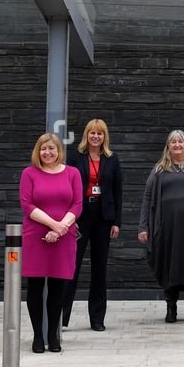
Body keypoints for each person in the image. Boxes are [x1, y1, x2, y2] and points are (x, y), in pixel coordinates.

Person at [138, 129, 184, 323]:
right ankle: (171, 308)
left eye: (181, 141)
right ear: (168, 146)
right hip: (166, 229)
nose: (177, 145)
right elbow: (147, 198)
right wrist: (143, 226)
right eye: (173, 142)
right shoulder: (159, 169)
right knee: (168, 265)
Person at [19, 132, 83, 353]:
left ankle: (53, 336)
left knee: (58, 288)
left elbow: (77, 204)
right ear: (38, 151)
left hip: (63, 238)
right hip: (36, 236)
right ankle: (38, 336)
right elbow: (27, 205)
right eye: (43, 149)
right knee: (35, 287)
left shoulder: (73, 173)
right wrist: (54, 226)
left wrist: (60, 228)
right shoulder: (29, 173)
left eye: (51, 148)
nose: (47, 152)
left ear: (59, 151)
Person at [63, 119, 122, 332]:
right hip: (79, 216)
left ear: (104, 137)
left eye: (100, 133)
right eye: (92, 133)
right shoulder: (75, 157)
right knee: (72, 265)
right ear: (86, 135)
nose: (96, 137)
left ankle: (97, 318)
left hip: (103, 217)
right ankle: (62, 317)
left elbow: (117, 191)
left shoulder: (112, 159)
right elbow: (66, 187)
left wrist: (117, 222)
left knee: (99, 269)